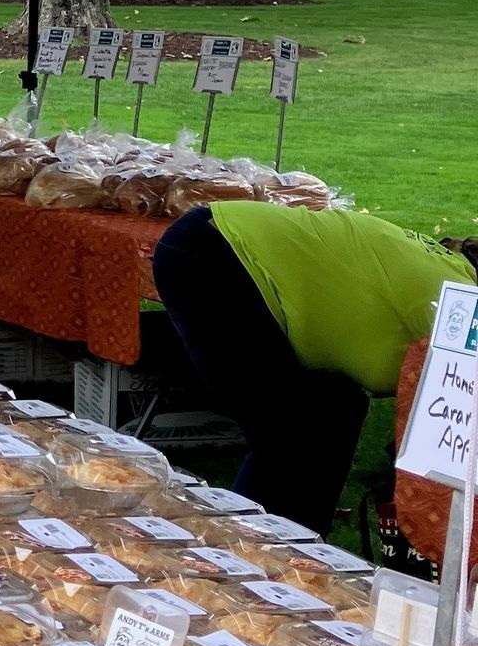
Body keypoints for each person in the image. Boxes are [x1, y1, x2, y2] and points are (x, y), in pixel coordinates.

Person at [152, 203, 478, 535]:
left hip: (218, 245)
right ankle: (239, 551)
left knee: (336, 405)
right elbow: (463, 407)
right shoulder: (452, 290)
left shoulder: (448, 272)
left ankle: (302, 548)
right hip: (215, 252)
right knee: (286, 433)